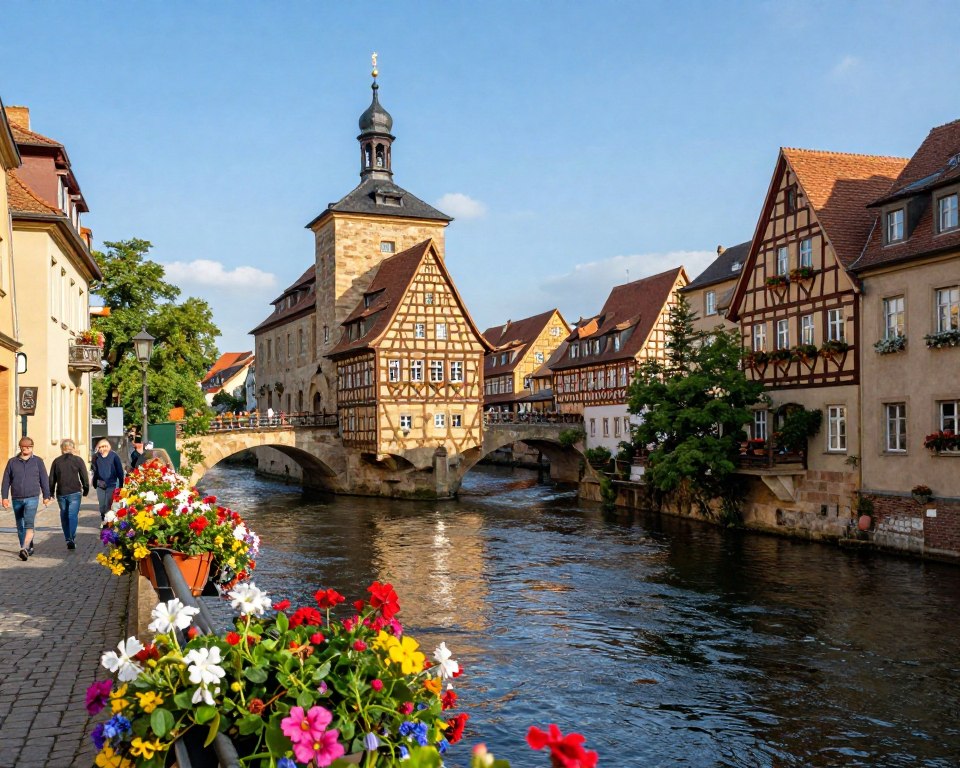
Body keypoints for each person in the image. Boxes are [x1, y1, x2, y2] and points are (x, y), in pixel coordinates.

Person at [1, 437, 52, 561]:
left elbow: (44, 479)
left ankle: (24, 548)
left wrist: (46, 496)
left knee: (28, 523)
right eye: (25, 446)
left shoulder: (38, 461)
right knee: (20, 524)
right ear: (20, 447)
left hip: (32, 497)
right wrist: (4, 497)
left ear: (32, 447)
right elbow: (6, 480)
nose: (27, 448)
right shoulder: (12, 462)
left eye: (29, 446)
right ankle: (27, 546)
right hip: (17, 497)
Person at [49, 438, 90, 550]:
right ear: (73, 448)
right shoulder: (78, 460)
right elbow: (84, 477)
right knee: (72, 515)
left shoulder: (56, 461)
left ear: (62, 449)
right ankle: (71, 537)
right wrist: (86, 489)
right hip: (75, 491)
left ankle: (68, 538)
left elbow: (52, 478)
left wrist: (51, 492)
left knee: (64, 514)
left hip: (61, 492)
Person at [91, 438, 124, 522]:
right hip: (100, 484)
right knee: (102, 506)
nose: (102, 449)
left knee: (108, 505)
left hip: (111, 484)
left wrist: (121, 484)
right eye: (100, 447)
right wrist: (94, 482)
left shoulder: (114, 456)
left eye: (104, 446)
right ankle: (103, 516)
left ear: (108, 447)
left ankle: (107, 522)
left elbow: (120, 471)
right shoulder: (95, 457)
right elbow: (95, 471)